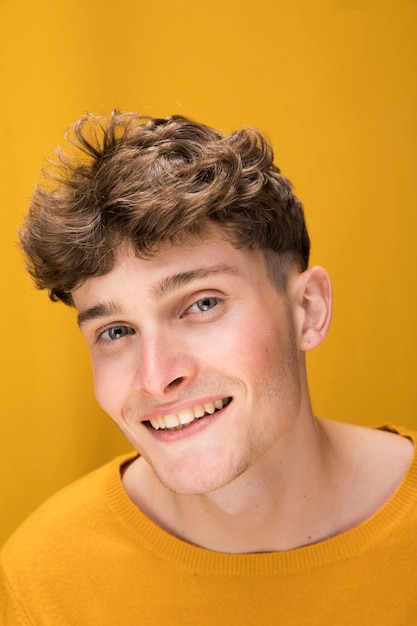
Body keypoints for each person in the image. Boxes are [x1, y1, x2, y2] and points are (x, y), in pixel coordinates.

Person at [1, 111, 416, 625]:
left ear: (308, 309)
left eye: (202, 304)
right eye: (115, 331)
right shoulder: (42, 580)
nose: (156, 377)